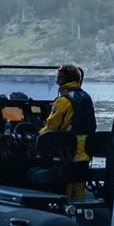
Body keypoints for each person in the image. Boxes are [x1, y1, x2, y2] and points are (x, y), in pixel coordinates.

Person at [33, 64, 98, 197]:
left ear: (64, 79)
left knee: (66, 183)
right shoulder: (86, 97)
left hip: (66, 150)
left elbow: (51, 127)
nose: (57, 81)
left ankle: (64, 205)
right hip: (85, 149)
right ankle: (79, 205)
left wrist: (37, 134)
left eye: (59, 78)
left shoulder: (63, 101)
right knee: (79, 183)